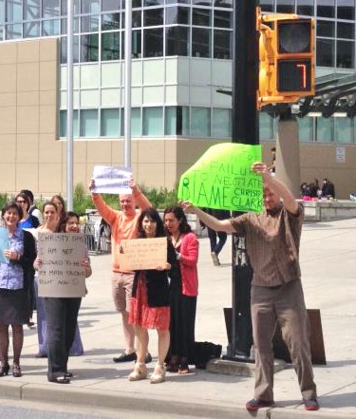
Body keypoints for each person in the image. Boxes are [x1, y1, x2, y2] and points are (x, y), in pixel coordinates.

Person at [183, 161, 319, 412]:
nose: (267, 197)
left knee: (298, 343)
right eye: (264, 194)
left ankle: (308, 392)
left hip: (289, 287)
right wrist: (196, 210)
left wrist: (268, 177)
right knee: (261, 346)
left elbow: (290, 199)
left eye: (270, 193)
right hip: (261, 290)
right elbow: (220, 226)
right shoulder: (250, 220)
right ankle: (264, 394)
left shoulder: (290, 215)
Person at [90, 178, 153, 364]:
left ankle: (144, 351)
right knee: (124, 314)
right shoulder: (116, 217)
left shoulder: (141, 218)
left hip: (134, 274)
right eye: (122, 201)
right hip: (116, 273)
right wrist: (94, 193)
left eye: (128, 200)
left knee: (136, 314)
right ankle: (130, 349)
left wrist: (136, 190)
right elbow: (102, 208)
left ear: (133, 201)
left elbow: (149, 209)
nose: (125, 204)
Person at [40, 211, 92, 383]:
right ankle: (54, 371)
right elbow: (36, 263)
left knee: (69, 330)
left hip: (74, 291)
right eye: (71, 223)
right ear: (63, 225)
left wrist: (85, 268)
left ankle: (62, 366)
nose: (75, 226)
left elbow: (88, 272)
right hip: (54, 291)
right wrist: (37, 263)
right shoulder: (50, 242)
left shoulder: (81, 246)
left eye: (76, 223)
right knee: (56, 330)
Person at [124, 208, 173, 384]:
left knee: (162, 328)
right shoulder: (137, 242)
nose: (148, 224)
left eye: (152, 221)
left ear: (157, 223)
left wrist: (167, 266)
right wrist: (125, 255)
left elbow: (174, 265)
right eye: (145, 221)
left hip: (158, 291)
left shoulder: (164, 242)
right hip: (140, 290)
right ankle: (140, 363)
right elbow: (131, 264)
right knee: (138, 327)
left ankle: (160, 365)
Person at [0, 203, 36, 378]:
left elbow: (31, 261)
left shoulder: (26, 237)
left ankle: (16, 362)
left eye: (14, 214)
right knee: (1, 326)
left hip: (19, 287)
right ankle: (4, 363)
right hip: (0, 286)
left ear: (19, 216)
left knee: (17, 326)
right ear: (3, 215)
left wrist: (18, 258)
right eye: (8, 213)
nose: (11, 216)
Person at [164, 206, 199, 374]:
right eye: (166, 220)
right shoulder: (165, 238)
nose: (168, 223)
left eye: (171, 220)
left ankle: (185, 359)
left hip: (186, 287)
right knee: (172, 323)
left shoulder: (190, 238)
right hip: (172, 286)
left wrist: (178, 256)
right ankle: (173, 356)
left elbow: (192, 260)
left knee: (185, 323)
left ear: (180, 220)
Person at [32, 201, 60, 357]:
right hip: (40, 277)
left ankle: (59, 347)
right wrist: (35, 263)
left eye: (52, 212)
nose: (49, 215)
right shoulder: (36, 233)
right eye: (47, 212)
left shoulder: (61, 233)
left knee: (58, 315)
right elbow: (32, 256)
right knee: (42, 314)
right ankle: (44, 347)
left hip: (59, 278)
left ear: (57, 213)